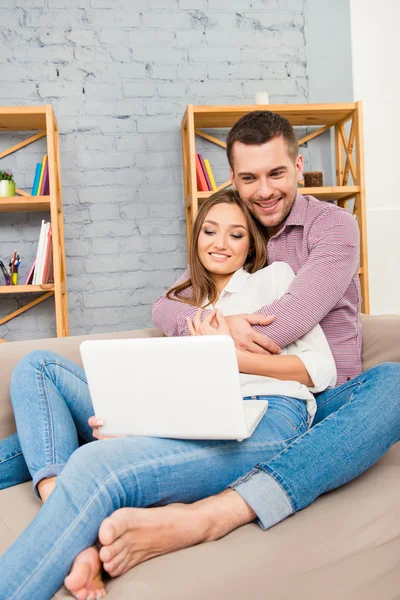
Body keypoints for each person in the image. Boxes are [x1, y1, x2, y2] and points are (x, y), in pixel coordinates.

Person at [0, 189, 338, 599]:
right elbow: (178, 385)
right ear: (196, 238)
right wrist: (137, 420)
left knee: (93, 461)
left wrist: (232, 356)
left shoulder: (275, 279)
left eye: (235, 235)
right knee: (37, 366)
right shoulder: (185, 303)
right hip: (192, 417)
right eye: (210, 231)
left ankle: (66, 528)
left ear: (251, 245)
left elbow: (320, 370)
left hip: (269, 414)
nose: (219, 243)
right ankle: (59, 501)